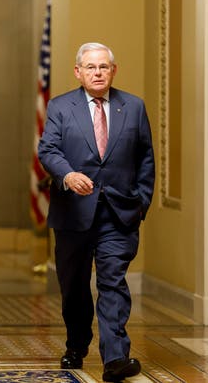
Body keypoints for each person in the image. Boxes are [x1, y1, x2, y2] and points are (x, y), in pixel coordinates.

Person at [38, 42, 155, 382]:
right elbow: (48, 149)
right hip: (73, 214)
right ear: (78, 72)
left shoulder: (132, 107)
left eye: (104, 67)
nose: (98, 72)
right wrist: (67, 175)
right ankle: (76, 344)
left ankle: (116, 358)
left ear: (113, 70)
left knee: (112, 283)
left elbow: (146, 157)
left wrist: (141, 201)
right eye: (91, 67)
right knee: (74, 285)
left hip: (118, 214)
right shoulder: (60, 107)